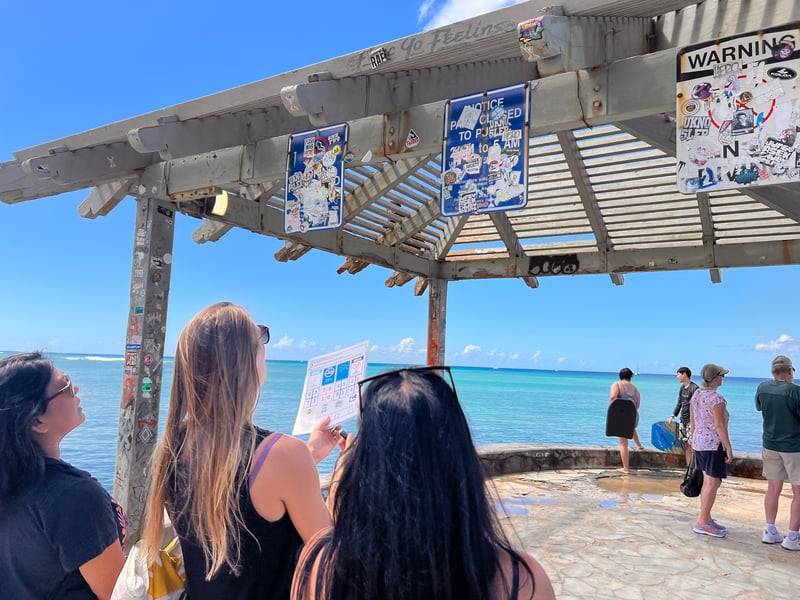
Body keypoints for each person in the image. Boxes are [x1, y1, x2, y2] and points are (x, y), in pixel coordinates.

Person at [291, 366, 555, 600]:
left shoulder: (317, 567)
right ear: (461, 459)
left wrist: (341, 480)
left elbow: (333, 538)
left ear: (365, 466)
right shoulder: (521, 581)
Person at [142, 302, 345, 599]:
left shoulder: (174, 446)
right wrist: (342, 475)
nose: (264, 344)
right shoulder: (284, 456)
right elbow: (332, 564)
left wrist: (309, 455)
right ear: (245, 360)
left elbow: (235, 485)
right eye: (260, 336)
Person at [0, 351, 127, 599]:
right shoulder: (75, 497)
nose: (75, 389)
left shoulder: (13, 480)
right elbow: (118, 594)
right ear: (37, 422)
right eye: (66, 386)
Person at [754, 355, 800, 551]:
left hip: (770, 444)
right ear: (789, 371)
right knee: (798, 492)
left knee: (773, 488)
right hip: (794, 447)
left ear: (773, 372)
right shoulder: (794, 391)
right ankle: (792, 536)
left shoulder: (762, 388)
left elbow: (759, 407)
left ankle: (770, 530)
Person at [690, 363, 733, 538]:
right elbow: (719, 425)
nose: (723, 378)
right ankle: (702, 521)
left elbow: (693, 421)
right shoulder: (717, 399)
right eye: (721, 375)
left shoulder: (696, 394)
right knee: (712, 483)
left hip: (700, 442)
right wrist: (728, 447)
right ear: (715, 378)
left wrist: (694, 440)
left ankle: (706, 518)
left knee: (708, 482)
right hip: (713, 444)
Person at [609, 367, 644, 475]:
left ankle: (626, 468)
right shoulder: (636, 390)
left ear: (620, 376)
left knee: (623, 444)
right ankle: (639, 445)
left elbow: (612, 399)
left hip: (622, 416)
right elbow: (637, 405)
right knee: (631, 428)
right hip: (633, 416)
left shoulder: (617, 385)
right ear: (631, 377)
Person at [668, 366, 699, 466]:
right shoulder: (682, 388)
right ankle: (688, 468)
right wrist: (673, 415)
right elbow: (679, 403)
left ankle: (695, 468)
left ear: (684, 374)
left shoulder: (695, 388)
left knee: (693, 445)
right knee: (686, 445)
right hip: (683, 420)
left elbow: (698, 406)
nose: (677, 377)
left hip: (692, 421)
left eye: (678, 374)